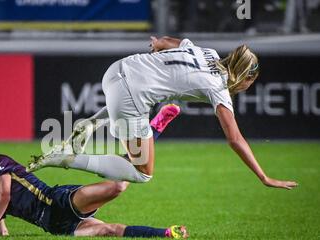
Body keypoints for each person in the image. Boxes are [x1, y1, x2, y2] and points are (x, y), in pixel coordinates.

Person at [28, 36, 298, 191]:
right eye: (251, 82)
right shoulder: (219, 88)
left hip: (116, 69)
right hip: (129, 96)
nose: (248, 87)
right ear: (244, 76)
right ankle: (66, 158)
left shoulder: (207, 52)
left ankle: (90, 124)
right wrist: (264, 177)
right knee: (143, 172)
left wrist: (157, 43)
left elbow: (171, 41)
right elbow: (235, 139)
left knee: (137, 104)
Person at [0, 110, 186, 239]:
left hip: (58, 200)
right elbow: (1, 229)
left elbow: (4, 196)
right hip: (56, 226)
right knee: (109, 230)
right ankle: (168, 233)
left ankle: (154, 128)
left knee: (118, 186)